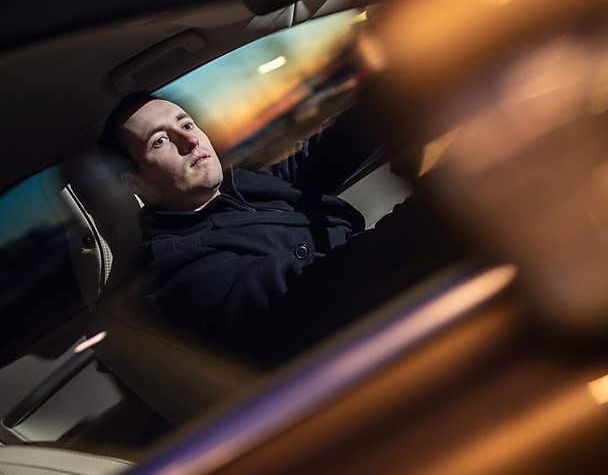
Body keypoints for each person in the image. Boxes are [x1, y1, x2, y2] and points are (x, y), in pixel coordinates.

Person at [99, 92, 465, 363]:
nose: (190, 140)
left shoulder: (235, 189)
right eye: (160, 141)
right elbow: (332, 288)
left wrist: (399, 85)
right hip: (376, 358)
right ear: (136, 184)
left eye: (186, 124)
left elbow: (323, 154)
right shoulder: (182, 275)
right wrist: (448, 192)